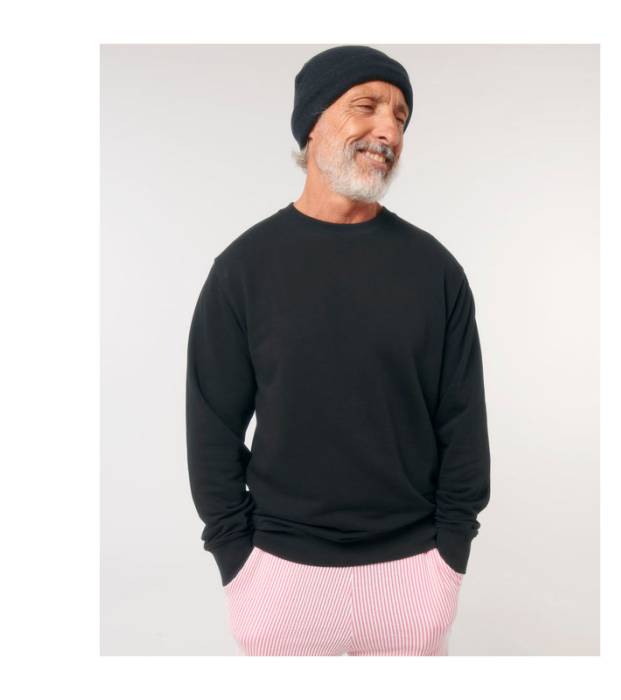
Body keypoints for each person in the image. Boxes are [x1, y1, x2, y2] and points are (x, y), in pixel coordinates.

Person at [185, 45, 491, 656]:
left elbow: (463, 427)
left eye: (400, 117)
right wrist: (238, 561)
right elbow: (212, 428)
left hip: (412, 574)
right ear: (312, 122)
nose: (389, 131)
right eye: (366, 107)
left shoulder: (435, 271)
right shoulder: (244, 269)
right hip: (280, 575)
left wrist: (448, 558)